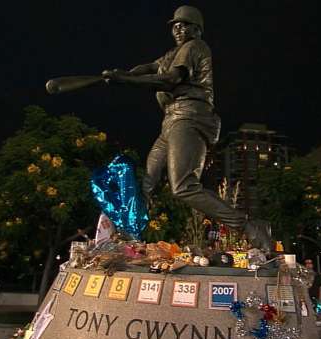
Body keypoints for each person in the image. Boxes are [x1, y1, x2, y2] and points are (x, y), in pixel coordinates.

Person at [102, 6, 271, 250]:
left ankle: (247, 226)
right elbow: (150, 67)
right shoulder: (174, 52)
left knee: (182, 187)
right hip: (170, 121)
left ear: (197, 29)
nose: (178, 29)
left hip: (190, 116)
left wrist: (126, 80)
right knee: (147, 180)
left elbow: (170, 79)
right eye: (175, 25)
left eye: (184, 25)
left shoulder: (195, 47)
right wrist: (125, 73)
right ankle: (132, 234)